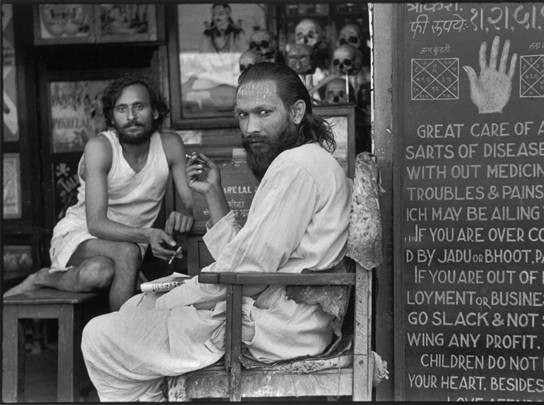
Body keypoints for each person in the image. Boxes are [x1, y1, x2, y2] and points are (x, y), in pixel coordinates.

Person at [81, 62, 353, 402]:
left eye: (263, 112)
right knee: (135, 309)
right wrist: (213, 193)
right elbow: (249, 256)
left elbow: (247, 272)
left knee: (99, 336)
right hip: (283, 320)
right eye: (242, 116)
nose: (251, 127)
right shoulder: (309, 161)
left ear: (297, 111)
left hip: (270, 328)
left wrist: (169, 299)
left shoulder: (294, 168)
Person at [4, 74, 195, 311]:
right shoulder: (101, 147)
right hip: (82, 234)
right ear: (112, 117)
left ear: (155, 111)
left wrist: (186, 211)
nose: (131, 116)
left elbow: (190, 200)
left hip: (130, 243)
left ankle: (42, 277)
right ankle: (119, 338)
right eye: (122, 109)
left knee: (100, 272)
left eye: (139, 107)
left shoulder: (170, 145)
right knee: (126, 253)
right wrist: (147, 235)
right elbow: (95, 223)